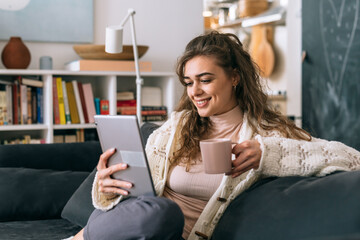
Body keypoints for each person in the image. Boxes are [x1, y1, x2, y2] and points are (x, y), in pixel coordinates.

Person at [72, 31, 360, 240]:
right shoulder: (176, 126)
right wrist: (107, 186)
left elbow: (352, 159)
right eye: (188, 82)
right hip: (136, 226)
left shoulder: (267, 134)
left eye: (205, 80)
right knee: (154, 211)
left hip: (169, 230)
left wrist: (267, 154)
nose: (194, 92)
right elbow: (139, 196)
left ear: (234, 77)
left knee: (162, 214)